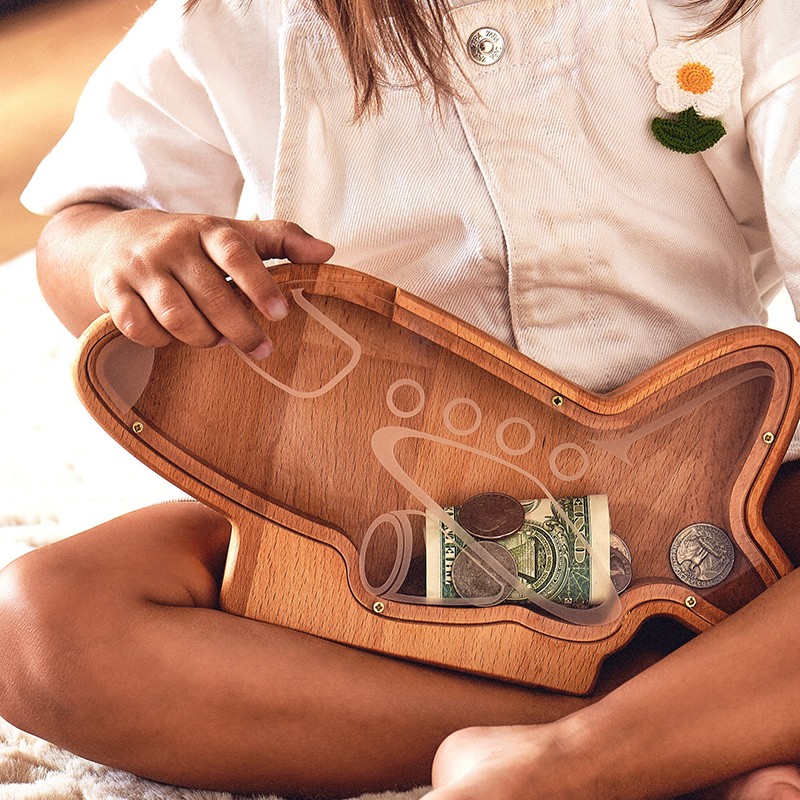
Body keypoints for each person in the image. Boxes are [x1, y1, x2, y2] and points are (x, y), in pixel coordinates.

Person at [1, 0, 800, 796]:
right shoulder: (228, 20)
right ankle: (654, 733)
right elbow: (80, 229)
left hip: (714, 519)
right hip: (391, 540)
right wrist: (124, 251)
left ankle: (605, 755)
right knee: (40, 625)